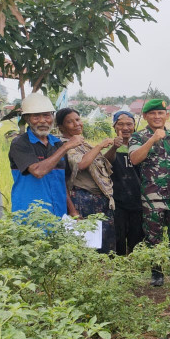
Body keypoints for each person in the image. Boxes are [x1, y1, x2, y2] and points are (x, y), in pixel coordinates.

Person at [128, 99, 170, 287]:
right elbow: (134, 159)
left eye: (160, 113)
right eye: (152, 113)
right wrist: (153, 139)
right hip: (151, 197)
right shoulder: (138, 137)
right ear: (145, 116)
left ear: (166, 115)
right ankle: (156, 273)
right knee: (153, 236)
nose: (157, 116)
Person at [8, 93, 82, 217]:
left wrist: (73, 211)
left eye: (47, 115)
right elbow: (38, 171)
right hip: (30, 215)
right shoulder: (20, 143)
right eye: (36, 117)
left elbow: (61, 181)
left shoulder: (56, 143)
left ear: (52, 117)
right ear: (27, 119)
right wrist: (66, 146)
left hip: (58, 212)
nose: (42, 121)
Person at [55, 107, 118, 253]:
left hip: (100, 199)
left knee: (104, 243)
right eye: (70, 122)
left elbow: (102, 162)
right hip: (83, 200)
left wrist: (113, 147)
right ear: (61, 127)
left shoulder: (83, 144)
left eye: (77, 119)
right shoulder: (65, 145)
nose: (76, 124)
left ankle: (104, 274)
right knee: (88, 244)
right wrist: (100, 145)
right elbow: (82, 164)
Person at [107, 111, 144, 255]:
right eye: (120, 124)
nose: (125, 127)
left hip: (139, 200)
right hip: (117, 202)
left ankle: (135, 268)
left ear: (134, 126)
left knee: (137, 238)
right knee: (118, 238)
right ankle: (120, 268)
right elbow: (106, 162)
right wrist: (114, 147)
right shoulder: (108, 145)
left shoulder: (141, 146)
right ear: (114, 126)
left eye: (129, 124)